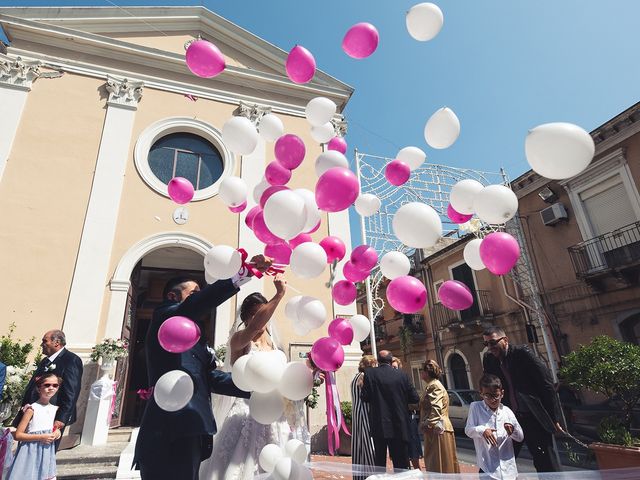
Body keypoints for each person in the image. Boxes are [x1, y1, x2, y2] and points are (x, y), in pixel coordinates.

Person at [134, 254, 272, 480]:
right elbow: (192, 307)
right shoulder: (165, 317)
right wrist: (242, 273)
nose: (198, 300)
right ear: (173, 297)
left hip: (191, 430)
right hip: (168, 432)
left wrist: (257, 387)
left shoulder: (193, 337)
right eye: (193, 294)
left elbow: (211, 378)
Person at [201, 274, 299, 480]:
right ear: (245, 318)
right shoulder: (240, 340)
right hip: (247, 411)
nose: (260, 319)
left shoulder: (274, 343)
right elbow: (254, 327)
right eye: (254, 314)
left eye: (262, 313)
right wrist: (279, 294)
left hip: (275, 413)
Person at [482, 326, 563, 473]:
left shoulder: (523, 354)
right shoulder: (489, 360)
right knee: (494, 461)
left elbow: (546, 385)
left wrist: (554, 418)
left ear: (505, 340)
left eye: (493, 343)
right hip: (509, 420)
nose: (490, 347)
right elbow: (488, 388)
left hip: (533, 417)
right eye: (486, 344)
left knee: (545, 462)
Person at [13, 330, 83, 451]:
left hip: (51, 415)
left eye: (45, 341)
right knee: (27, 450)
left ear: (57, 343)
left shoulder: (71, 360)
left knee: (43, 451)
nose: (42, 344)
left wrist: (61, 418)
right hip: (33, 413)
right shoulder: (45, 361)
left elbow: (71, 392)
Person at [361, 350, 420, 471]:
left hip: (379, 423)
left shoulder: (370, 373)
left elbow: (365, 397)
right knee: (401, 463)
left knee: (380, 462)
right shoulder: (402, 375)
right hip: (399, 423)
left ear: (378, 360)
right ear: (390, 360)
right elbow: (414, 398)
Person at [465, 374, 524, 480]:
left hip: (509, 470)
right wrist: (482, 430)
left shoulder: (507, 411)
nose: (492, 400)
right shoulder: (476, 408)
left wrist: (512, 431)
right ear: (481, 394)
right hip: (488, 469)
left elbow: (520, 437)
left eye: (496, 396)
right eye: (488, 396)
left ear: (502, 393)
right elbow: (468, 430)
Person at [7, 373, 62, 480]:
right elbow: (18, 435)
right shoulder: (32, 409)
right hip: (30, 452)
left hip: (46, 452)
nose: (51, 388)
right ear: (38, 388)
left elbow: (52, 428)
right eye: (47, 385)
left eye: (55, 385)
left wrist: (57, 433)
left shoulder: (54, 409)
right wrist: (41, 437)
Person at [419, 359, 460, 474]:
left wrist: (427, 424)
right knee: (439, 463)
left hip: (437, 429)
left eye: (422, 371)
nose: (421, 373)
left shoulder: (434, 386)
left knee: (438, 464)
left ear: (427, 372)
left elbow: (436, 408)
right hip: (437, 428)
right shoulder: (432, 385)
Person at [391, 357, 422, 470]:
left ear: (399, 368)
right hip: (395, 422)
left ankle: (419, 475)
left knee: (413, 451)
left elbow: (415, 399)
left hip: (408, 420)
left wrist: (403, 405)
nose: (393, 370)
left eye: (395, 367)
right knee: (400, 455)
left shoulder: (405, 380)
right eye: (391, 367)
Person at [350, 354, 377, 480]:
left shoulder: (354, 377)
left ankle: (359, 475)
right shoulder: (364, 377)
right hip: (364, 413)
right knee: (368, 445)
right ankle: (371, 474)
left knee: (359, 445)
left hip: (357, 413)